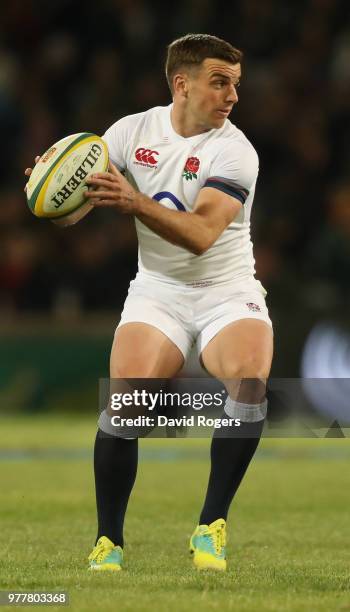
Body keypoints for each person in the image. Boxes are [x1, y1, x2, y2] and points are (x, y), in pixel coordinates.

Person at [26, 33, 273, 572]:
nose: (232, 95)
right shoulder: (128, 133)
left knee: (249, 384)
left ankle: (210, 526)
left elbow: (204, 234)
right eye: (219, 81)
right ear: (181, 83)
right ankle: (108, 543)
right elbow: (75, 212)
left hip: (227, 290)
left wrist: (133, 198)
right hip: (158, 290)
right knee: (125, 406)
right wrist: (51, 190)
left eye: (235, 83)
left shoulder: (235, 150)